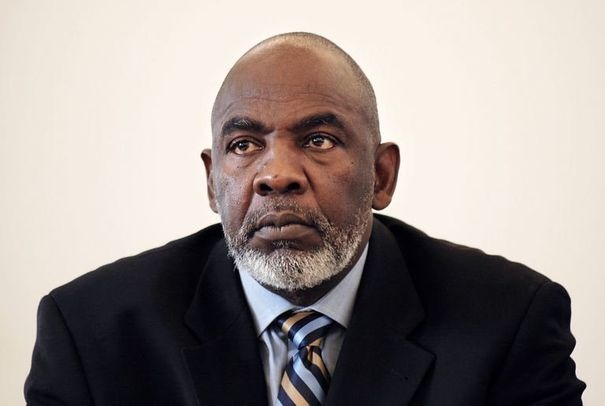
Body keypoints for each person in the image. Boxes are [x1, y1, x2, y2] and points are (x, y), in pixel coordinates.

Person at [25, 32, 585, 405]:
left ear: (381, 176)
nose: (276, 175)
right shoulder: (90, 333)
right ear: (212, 182)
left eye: (318, 139)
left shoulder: (508, 321)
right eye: (244, 144)